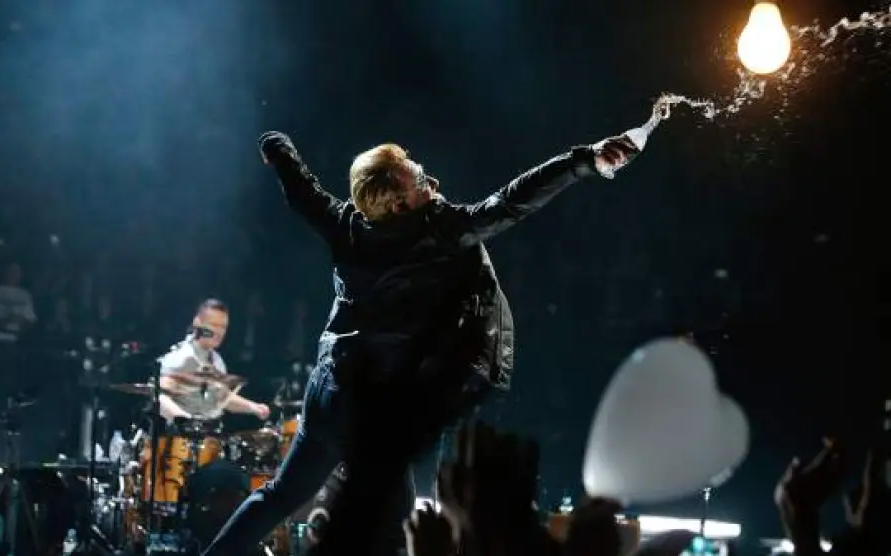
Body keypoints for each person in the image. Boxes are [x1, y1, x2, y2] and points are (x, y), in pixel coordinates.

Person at [203, 131, 638, 556]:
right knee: (398, 526)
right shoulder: (440, 233)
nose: (432, 183)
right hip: (371, 408)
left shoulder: (347, 225)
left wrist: (278, 149)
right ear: (399, 203)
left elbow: (303, 192)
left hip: (329, 389)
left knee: (280, 496)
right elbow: (511, 202)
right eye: (420, 181)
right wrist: (583, 161)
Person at [157, 299, 270, 422]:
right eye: (214, 325)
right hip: (180, 432)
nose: (219, 332)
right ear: (197, 323)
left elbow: (221, 397)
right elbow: (160, 398)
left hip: (209, 431)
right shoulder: (179, 357)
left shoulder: (217, 361)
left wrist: (253, 407)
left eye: (223, 327)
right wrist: (185, 420)